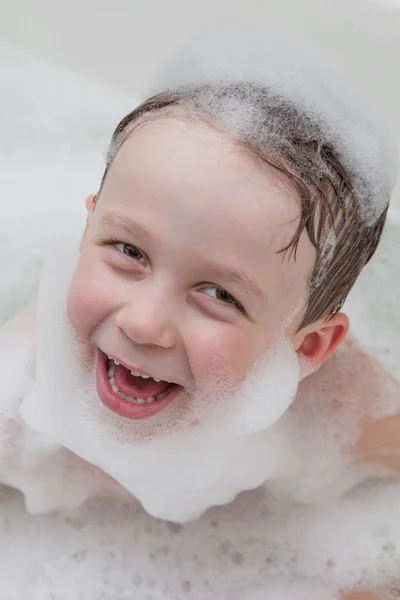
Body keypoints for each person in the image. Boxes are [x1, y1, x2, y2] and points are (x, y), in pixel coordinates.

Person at [0, 25, 399, 598]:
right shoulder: (24, 390)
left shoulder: (336, 403)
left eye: (218, 295)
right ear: (87, 230)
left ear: (307, 348)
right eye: (129, 252)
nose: (143, 323)